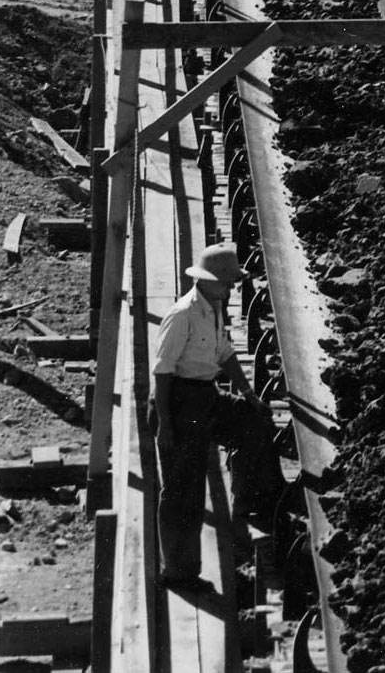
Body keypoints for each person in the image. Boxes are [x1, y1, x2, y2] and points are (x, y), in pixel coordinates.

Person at [151, 241, 271, 597]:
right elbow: (162, 374)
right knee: (183, 490)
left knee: (253, 421)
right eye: (228, 283)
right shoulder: (183, 314)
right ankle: (179, 573)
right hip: (178, 402)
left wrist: (249, 395)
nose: (232, 289)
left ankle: (250, 501)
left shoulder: (214, 308)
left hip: (204, 397)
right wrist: (165, 426)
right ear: (209, 281)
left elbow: (225, 354)